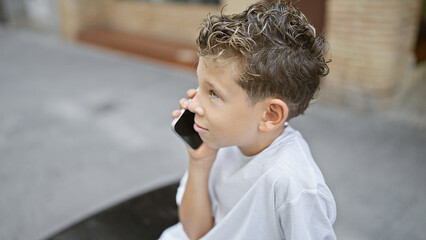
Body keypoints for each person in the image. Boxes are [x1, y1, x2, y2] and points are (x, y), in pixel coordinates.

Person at [160, 1, 336, 239]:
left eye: (213, 93)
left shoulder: (294, 187)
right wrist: (199, 163)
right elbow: (195, 232)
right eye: (199, 86)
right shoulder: (222, 140)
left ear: (270, 115)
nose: (191, 104)